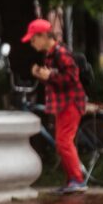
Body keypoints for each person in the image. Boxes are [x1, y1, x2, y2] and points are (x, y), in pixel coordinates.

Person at [23, 19, 88, 194]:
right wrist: (41, 74)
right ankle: (72, 180)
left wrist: (49, 75)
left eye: (33, 38)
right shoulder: (51, 54)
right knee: (62, 143)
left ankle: (77, 180)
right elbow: (56, 80)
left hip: (71, 103)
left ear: (43, 36)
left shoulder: (61, 53)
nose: (31, 42)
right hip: (63, 104)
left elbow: (72, 78)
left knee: (64, 142)